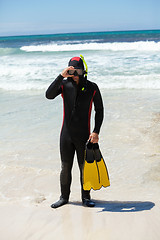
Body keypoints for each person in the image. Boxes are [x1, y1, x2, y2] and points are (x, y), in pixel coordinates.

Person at [45, 56, 104, 208]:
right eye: (71, 70)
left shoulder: (92, 87)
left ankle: (86, 197)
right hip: (66, 134)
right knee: (65, 167)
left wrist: (96, 131)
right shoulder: (64, 85)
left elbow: (100, 110)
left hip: (84, 135)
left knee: (84, 167)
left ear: (84, 70)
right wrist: (60, 76)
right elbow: (49, 95)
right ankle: (64, 197)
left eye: (77, 70)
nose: (74, 74)